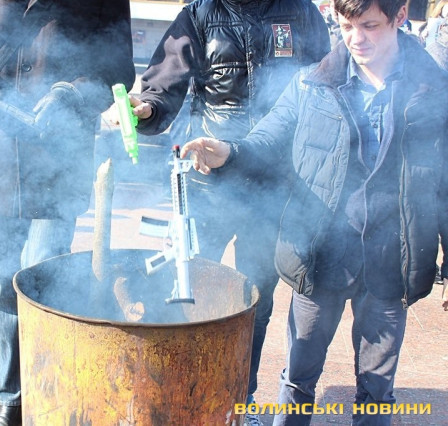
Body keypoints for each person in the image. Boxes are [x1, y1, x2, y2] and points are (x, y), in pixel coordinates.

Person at [181, 0, 448, 424]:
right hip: (321, 254)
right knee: (297, 381)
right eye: (347, 26)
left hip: (390, 259)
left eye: (370, 26)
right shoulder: (311, 83)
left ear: (400, 17)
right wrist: (228, 152)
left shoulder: (435, 92)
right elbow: (267, 140)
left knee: (377, 393)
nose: (356, 39)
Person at [126, 1, 329, 424]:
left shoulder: (302, 12)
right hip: (207, 183)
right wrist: (147, 107)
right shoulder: (199, 14)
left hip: (274, 186)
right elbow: (163, 81)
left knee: (255, 303)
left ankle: (241, 397)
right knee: (189, 292)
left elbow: (323, 84)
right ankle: (183, 395)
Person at [0, 1, 135, 424]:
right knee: (1, 288)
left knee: (43, 283)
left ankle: (48, 398)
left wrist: (73, 92)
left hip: (59, 160)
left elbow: (119, 67)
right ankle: (12, 400)